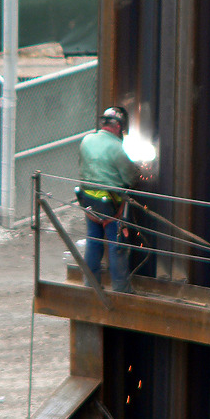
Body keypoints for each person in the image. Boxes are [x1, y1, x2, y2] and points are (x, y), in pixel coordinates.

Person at [77, 106, 141, 293]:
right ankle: (121, 289)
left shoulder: (86, 140)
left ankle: (91, 285)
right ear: (119, 127)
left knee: (93, 242)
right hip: (111, 207)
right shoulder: (116, 147)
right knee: (117, 246)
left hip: (88, 201)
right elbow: (130, 178)